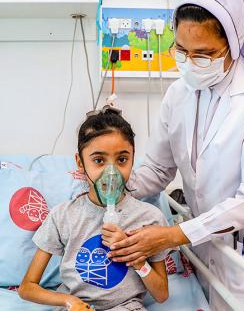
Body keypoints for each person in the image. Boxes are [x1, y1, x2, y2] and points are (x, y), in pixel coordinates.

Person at [107, 0, 244, 310]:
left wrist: (172, 235)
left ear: (232, 45)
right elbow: (159, 169)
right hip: (209, 252)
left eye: (203, 54)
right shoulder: (179, 94)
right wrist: (114, 184)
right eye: (181, 50)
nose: (189, 62)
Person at [19, 107, 170, 311]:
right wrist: (68, 301)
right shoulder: (63, 216)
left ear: (133, 159)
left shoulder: (150, 218)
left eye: (122, 160)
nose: (111, 172)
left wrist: (136, 259)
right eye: (99, 160)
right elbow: (27, 287)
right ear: (80, 162)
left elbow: (161, 294)